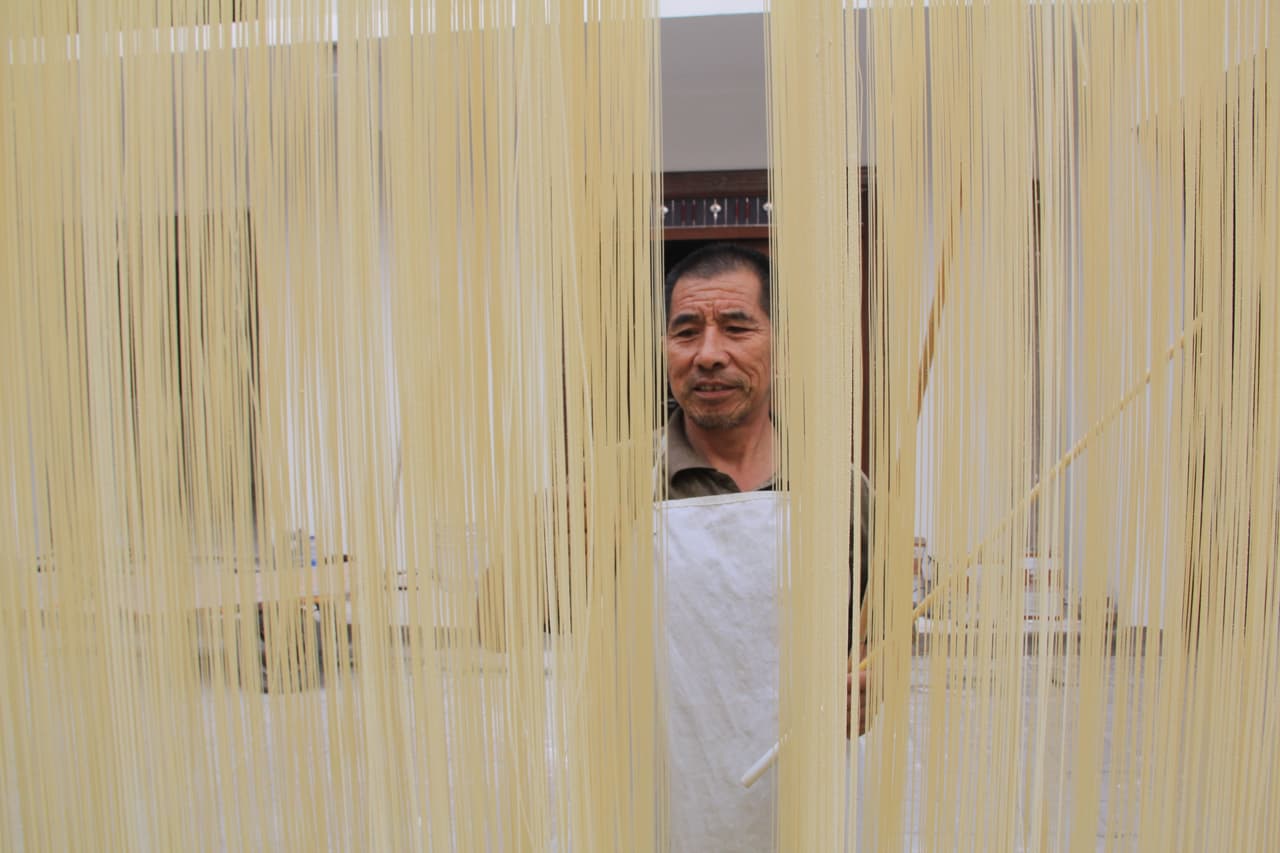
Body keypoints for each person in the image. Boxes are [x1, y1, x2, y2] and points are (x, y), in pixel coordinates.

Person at [660, 242, 874, 735]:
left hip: (800, 787)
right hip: (655, 795)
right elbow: (494, 619)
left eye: (737, 328)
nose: (709, 355)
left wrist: (870, 675)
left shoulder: (839, 490)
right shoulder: (616, 482)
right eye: (686, 332)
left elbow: (878, 630)